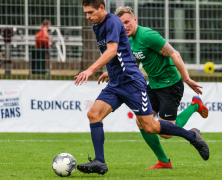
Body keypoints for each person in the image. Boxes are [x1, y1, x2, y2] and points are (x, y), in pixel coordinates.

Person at [75, 0, 209, 175]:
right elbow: (125, 55)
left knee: (153, 127)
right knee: (94, 114)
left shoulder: (118, 24)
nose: (87, 16)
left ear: (102, 8)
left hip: (139, 83)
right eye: (85, 12)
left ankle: (192, 136)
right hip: (120, 82)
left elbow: (113, 50)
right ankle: (100, 162)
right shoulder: (99, 27)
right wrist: (110, 71)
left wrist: (91, 69)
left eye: (90, 12)